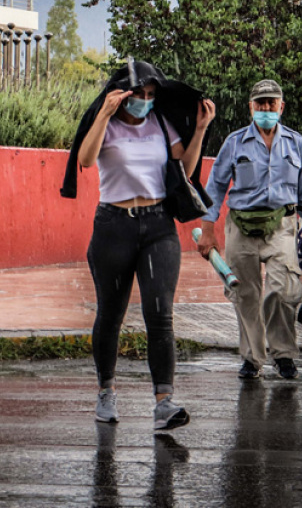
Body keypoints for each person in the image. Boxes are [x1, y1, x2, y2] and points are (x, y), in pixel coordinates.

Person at [69, 60, 214, 430]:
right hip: (113, 226)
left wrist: (199, 130)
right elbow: (86, 159)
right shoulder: (109, 125)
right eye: (139, 95)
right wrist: (104, 113)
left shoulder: (162, 125)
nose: (145, 102)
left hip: (157, 227)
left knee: (160, 314)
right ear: (124, 95)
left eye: (151, 96)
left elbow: (184, 169)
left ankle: (164, 403)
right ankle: (106, 392)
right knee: (111, 314)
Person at [197, 79, 302, 380]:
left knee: (281, 291)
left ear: (281, 106)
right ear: (251, 107)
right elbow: (214, 188)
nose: (266, 108)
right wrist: (207, 231)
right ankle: (252, 359)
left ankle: (283, 354)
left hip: (282, 225)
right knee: (245, 296)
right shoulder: (234, 142)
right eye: (261, 103)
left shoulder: (296, 143)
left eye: (272, 103)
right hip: (240, 226)